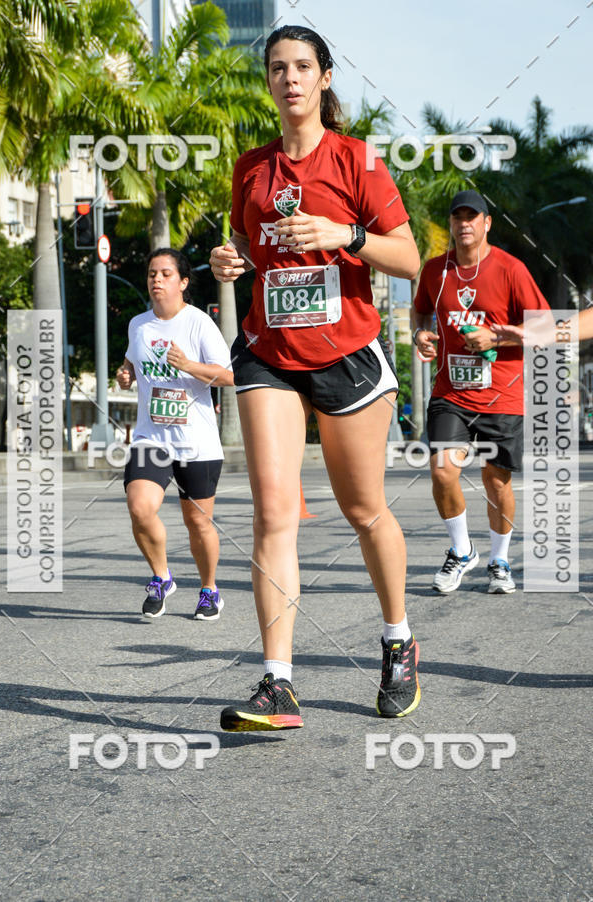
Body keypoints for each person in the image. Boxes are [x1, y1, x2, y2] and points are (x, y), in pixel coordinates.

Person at [210, 24, 421, 732]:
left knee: (364, 510)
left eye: (302, 66)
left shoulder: (358, 160)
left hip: (346, 352)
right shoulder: (251, 167)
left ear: (324, 78)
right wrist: (230, 260)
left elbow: (410, 259)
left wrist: (346, 235)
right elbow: (248, 244)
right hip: (268, 350)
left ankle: (397, 641)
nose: (290, 78)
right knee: (272, 514)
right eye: (278, 68)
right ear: (268, 82)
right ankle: (278, 683)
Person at [412, 189, 550, 595]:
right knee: (442, 472)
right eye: (458, 217)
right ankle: (461, 551)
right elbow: (421, 311)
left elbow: (544, 325)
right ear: (451, 224)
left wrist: (497, 338)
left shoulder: (511, 269)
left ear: (487, 223)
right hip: (451, 392)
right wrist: (421, 334)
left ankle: (500, 561)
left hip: (501, 393)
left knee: (496, 482)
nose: (464, 224)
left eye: (472, 217)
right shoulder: (435, 271)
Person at [116, 248, 234, 621]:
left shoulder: (199, 323)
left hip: (197, 442)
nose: (157, 280)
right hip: (152, 438)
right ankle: (162, 577)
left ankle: (209, 590)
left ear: (182, 282)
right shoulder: (138, 325)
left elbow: (228, 375)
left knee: (197, 522)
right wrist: (125, 375)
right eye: (152, 273)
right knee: (140, 507)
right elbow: (131, 363)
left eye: (165, 273)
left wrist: (188, 365)